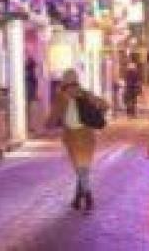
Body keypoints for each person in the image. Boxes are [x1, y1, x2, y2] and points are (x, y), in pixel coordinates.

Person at [47, 69, 108, 212]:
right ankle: (77, 198)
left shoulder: (61, 97)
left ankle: (88, 196)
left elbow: (52, 119)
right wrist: (96, 111)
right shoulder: (84, 93)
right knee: (82, 168)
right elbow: (105, 105)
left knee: (81, 169)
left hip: (73, 137)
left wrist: (48, 124)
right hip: (86, 136)